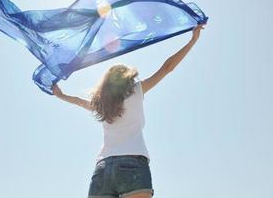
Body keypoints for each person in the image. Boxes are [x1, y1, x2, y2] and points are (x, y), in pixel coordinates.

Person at [52, 24, 205, 198]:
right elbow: (167, 68)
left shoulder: (101, 103)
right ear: (128, 77)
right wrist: (192, 41)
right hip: (132, 164)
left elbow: (79, 102)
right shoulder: (136, 90)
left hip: (102, 170)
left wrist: (61, 95)